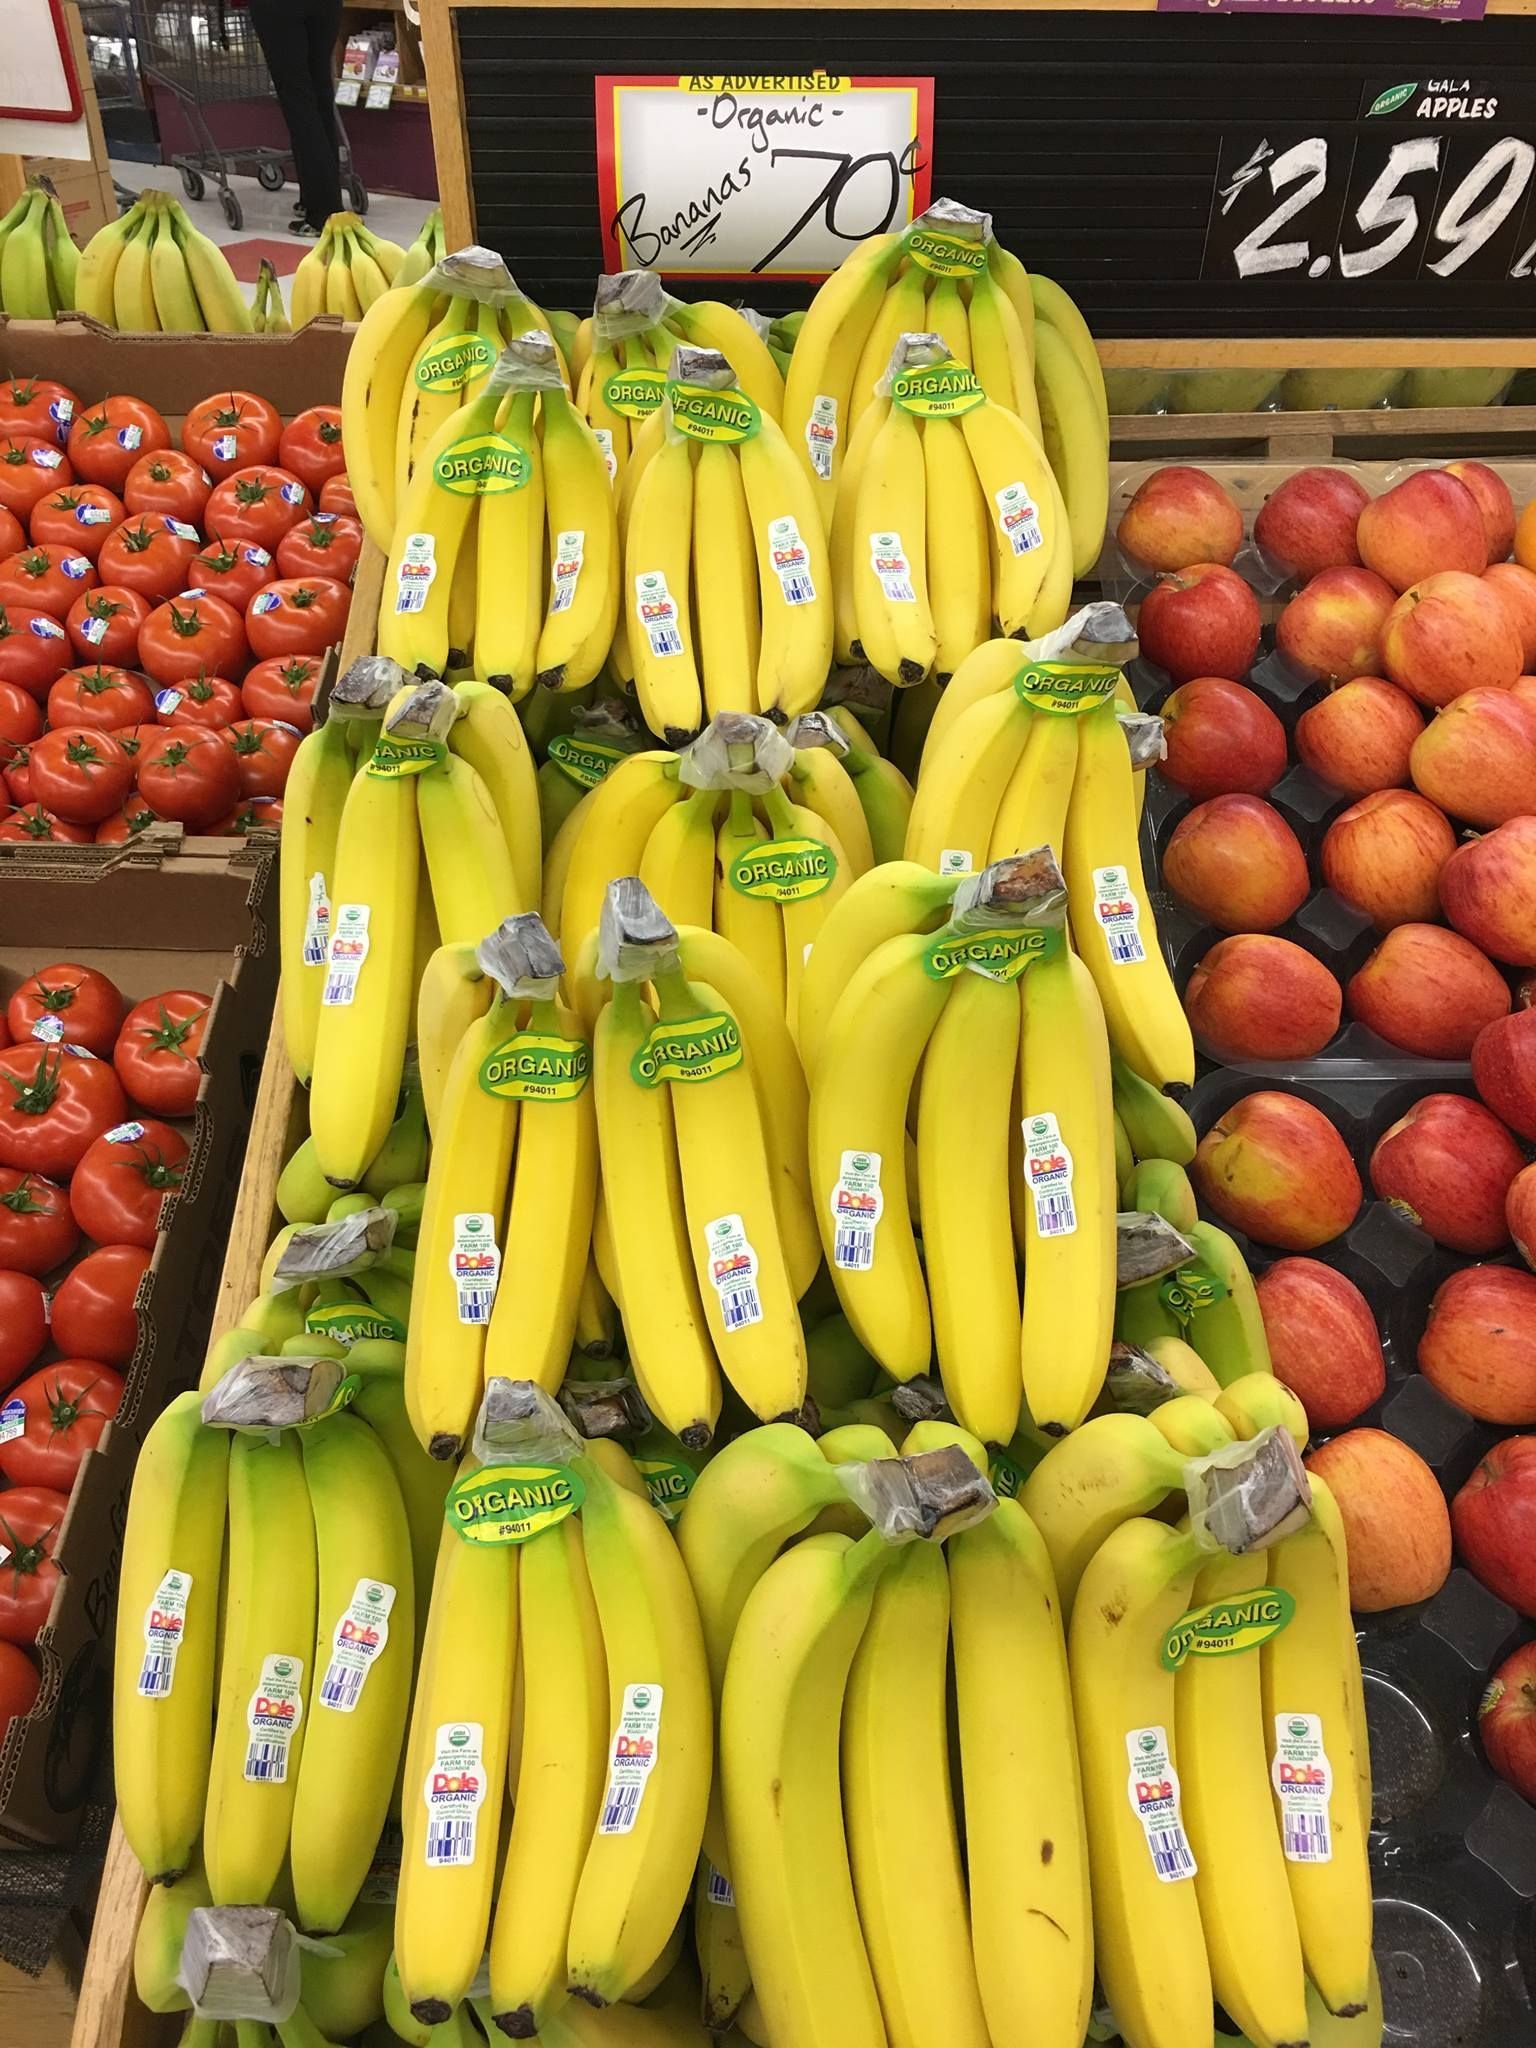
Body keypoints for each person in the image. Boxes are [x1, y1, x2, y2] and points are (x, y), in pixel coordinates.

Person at [246, 0, 344, 234]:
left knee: (298, 101)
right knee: (320, 94)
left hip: (280, 8)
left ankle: (322, 212)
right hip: (326, 7)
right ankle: (317, 197)